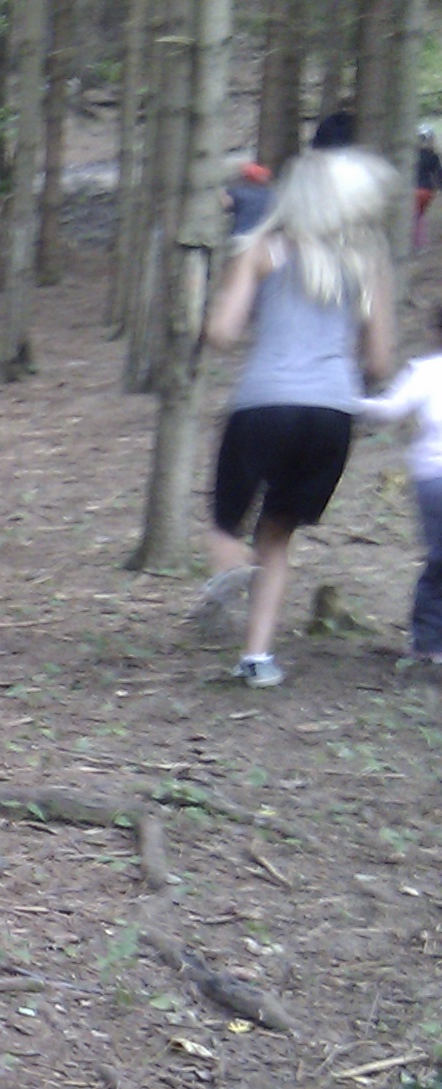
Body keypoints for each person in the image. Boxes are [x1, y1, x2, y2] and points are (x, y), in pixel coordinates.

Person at [201, 147, 398, 689]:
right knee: (278, 533)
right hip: (332, 414)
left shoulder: (262, 250)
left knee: (226, 521)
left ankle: (226, 569)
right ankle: (257, 656)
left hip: (264, 405)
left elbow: (221, 333)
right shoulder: (366, 263)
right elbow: (380, 362)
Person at [353, 307, 442, 666]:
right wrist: (345, 401)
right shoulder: (427, 372)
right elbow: (390, 409)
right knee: (440, 559)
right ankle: (428, 645)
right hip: (435, 475)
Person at [227, 161, 276, 237]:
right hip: (262, 236)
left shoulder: (239, 193)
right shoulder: (272, 195)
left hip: (242, 234)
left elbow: (226, 203)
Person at [416, 130, 440, 247]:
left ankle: (417, 242)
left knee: (415, 216)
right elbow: (439, 174)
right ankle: (421, 242)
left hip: (415, 189)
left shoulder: (414, 155)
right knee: (420, 215)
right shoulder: (433, 156)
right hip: (428, 190)